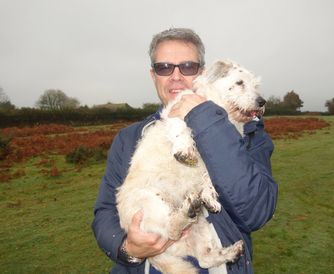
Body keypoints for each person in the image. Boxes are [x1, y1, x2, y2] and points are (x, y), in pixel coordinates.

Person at [92, 27, 278, 274]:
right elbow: (104, 213)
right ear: (153, 75)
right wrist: (126, 248)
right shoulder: (129, 138)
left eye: (188, 66)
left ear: (203, 73)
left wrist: (201, 116)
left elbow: (256, 211)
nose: (176, 76)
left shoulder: (251, 135)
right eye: (164, 67)